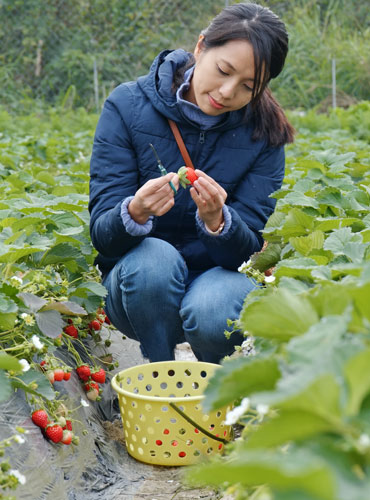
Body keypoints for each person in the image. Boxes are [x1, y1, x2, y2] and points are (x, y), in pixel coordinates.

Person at [89, 2, 294, 364]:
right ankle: (160, 373)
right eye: (223, 70)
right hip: (138, 285)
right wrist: (134, 212)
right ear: (201, 47)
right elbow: (102, 236)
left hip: (218, 280)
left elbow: (248, 255)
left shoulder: (266, 135)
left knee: (214, 308)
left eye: (248, 86)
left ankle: (213, 387)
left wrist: (219, 222)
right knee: (153, 261)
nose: (228, 92)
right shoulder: (127, 106)